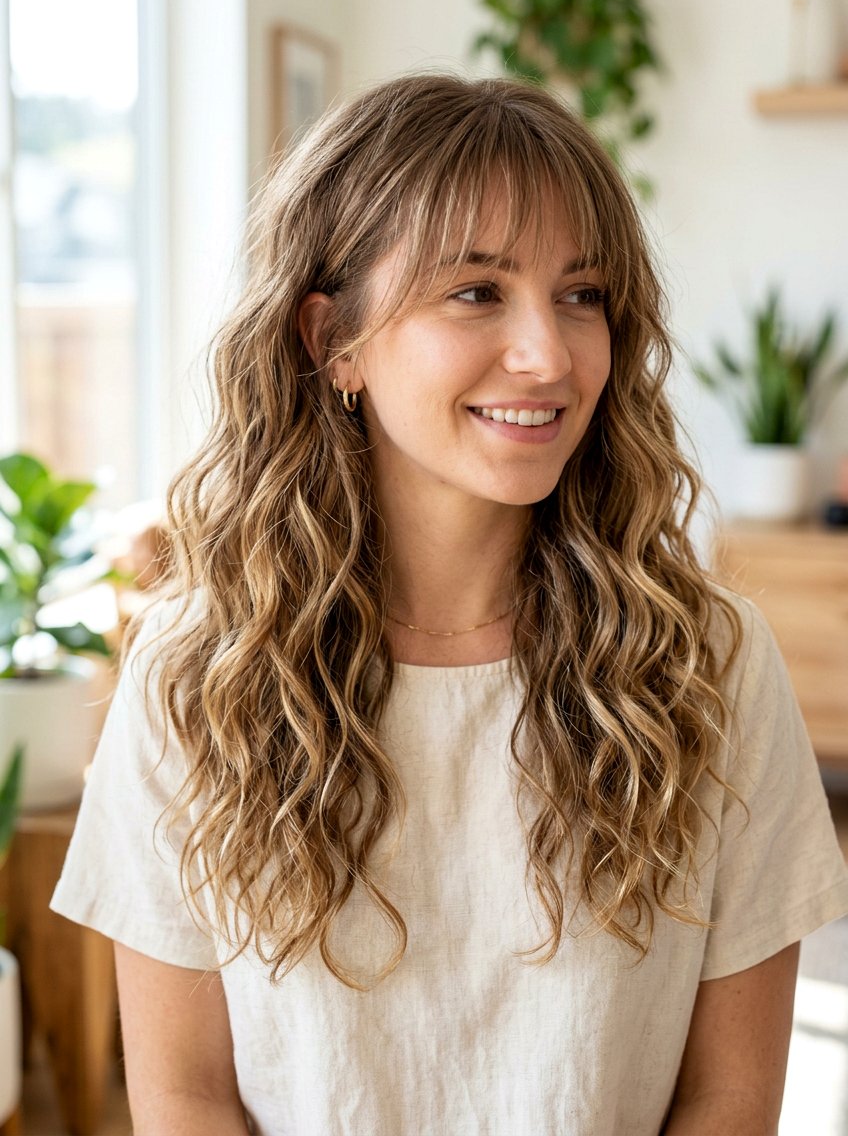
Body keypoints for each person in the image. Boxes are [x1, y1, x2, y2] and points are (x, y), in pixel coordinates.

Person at [52, 74, 848, 1136]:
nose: (549, 354)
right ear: (332, 340)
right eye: (476, 291)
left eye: (581, 294)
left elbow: (729, 1098)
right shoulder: (196, 673)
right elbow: (185, 1094)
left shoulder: (706, 661)